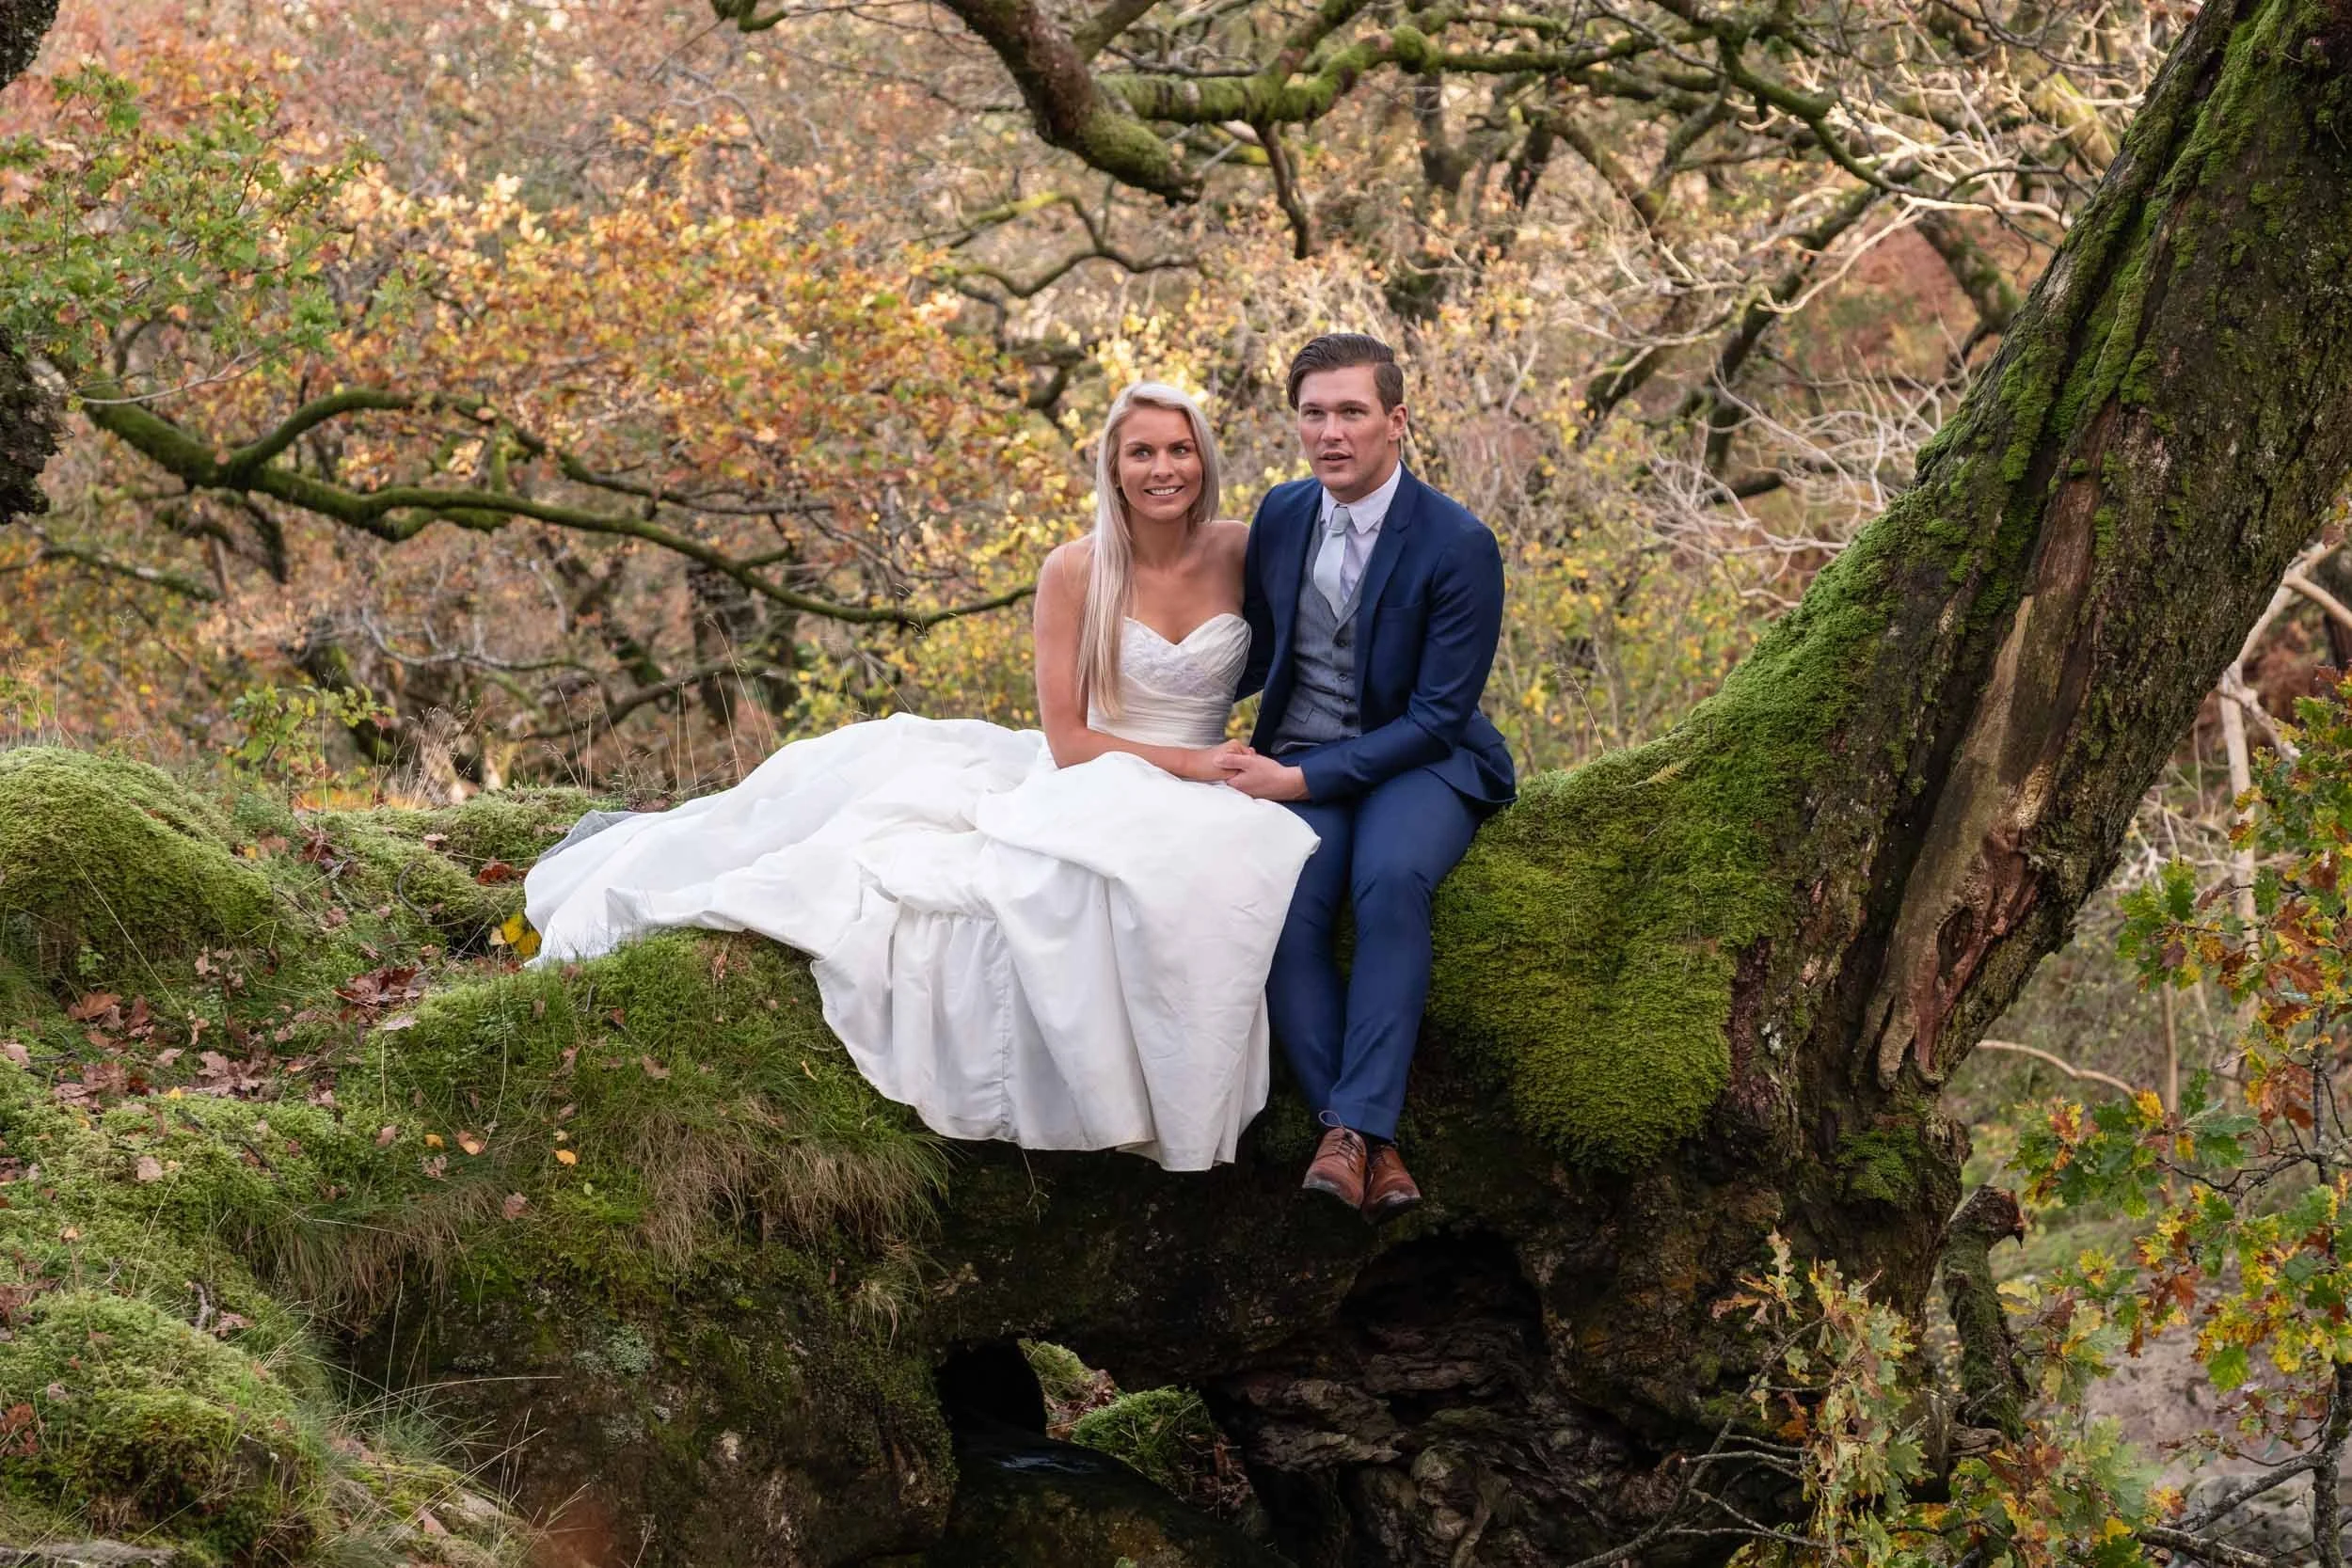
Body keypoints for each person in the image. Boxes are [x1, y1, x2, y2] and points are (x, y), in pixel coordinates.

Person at [524, 383, 1319, 1172]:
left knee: (1235, 872)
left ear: (1203, 458)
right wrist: (1191, 763)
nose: (1163, 469)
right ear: (1113, 466)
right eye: (1141, 451)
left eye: (1179, 449)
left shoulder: (1239, 549)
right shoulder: (1075, 569)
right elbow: (1071, 740)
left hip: (1213, 772)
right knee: (1050, 888)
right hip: (1102, 772)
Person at [1216, 333, 1515, 1221]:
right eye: (1314, 413)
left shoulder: (1459, 543)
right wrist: (1147, 684)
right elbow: (1260, 652)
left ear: (1396, 420)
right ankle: (1366, 1144)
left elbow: (1435, 715)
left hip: (1421, 760)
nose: (1331, 432)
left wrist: (1297, 785)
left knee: (1389, 882)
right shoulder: (1279, 513)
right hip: (1301, 753)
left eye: (1351, 411)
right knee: (1281, 903)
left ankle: (1348, 1131)